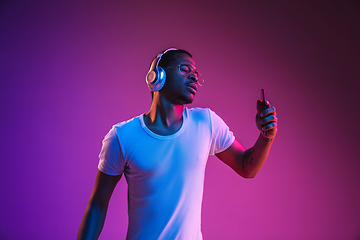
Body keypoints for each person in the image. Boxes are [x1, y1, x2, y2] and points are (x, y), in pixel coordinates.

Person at [77, 48, 278, 240]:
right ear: (157, 77)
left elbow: (247, 167)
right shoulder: (122, 137)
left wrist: (266, 136)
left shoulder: (207, 122)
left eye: (196, 73)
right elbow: (98, 204)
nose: (194, 77)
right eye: (185, 69)